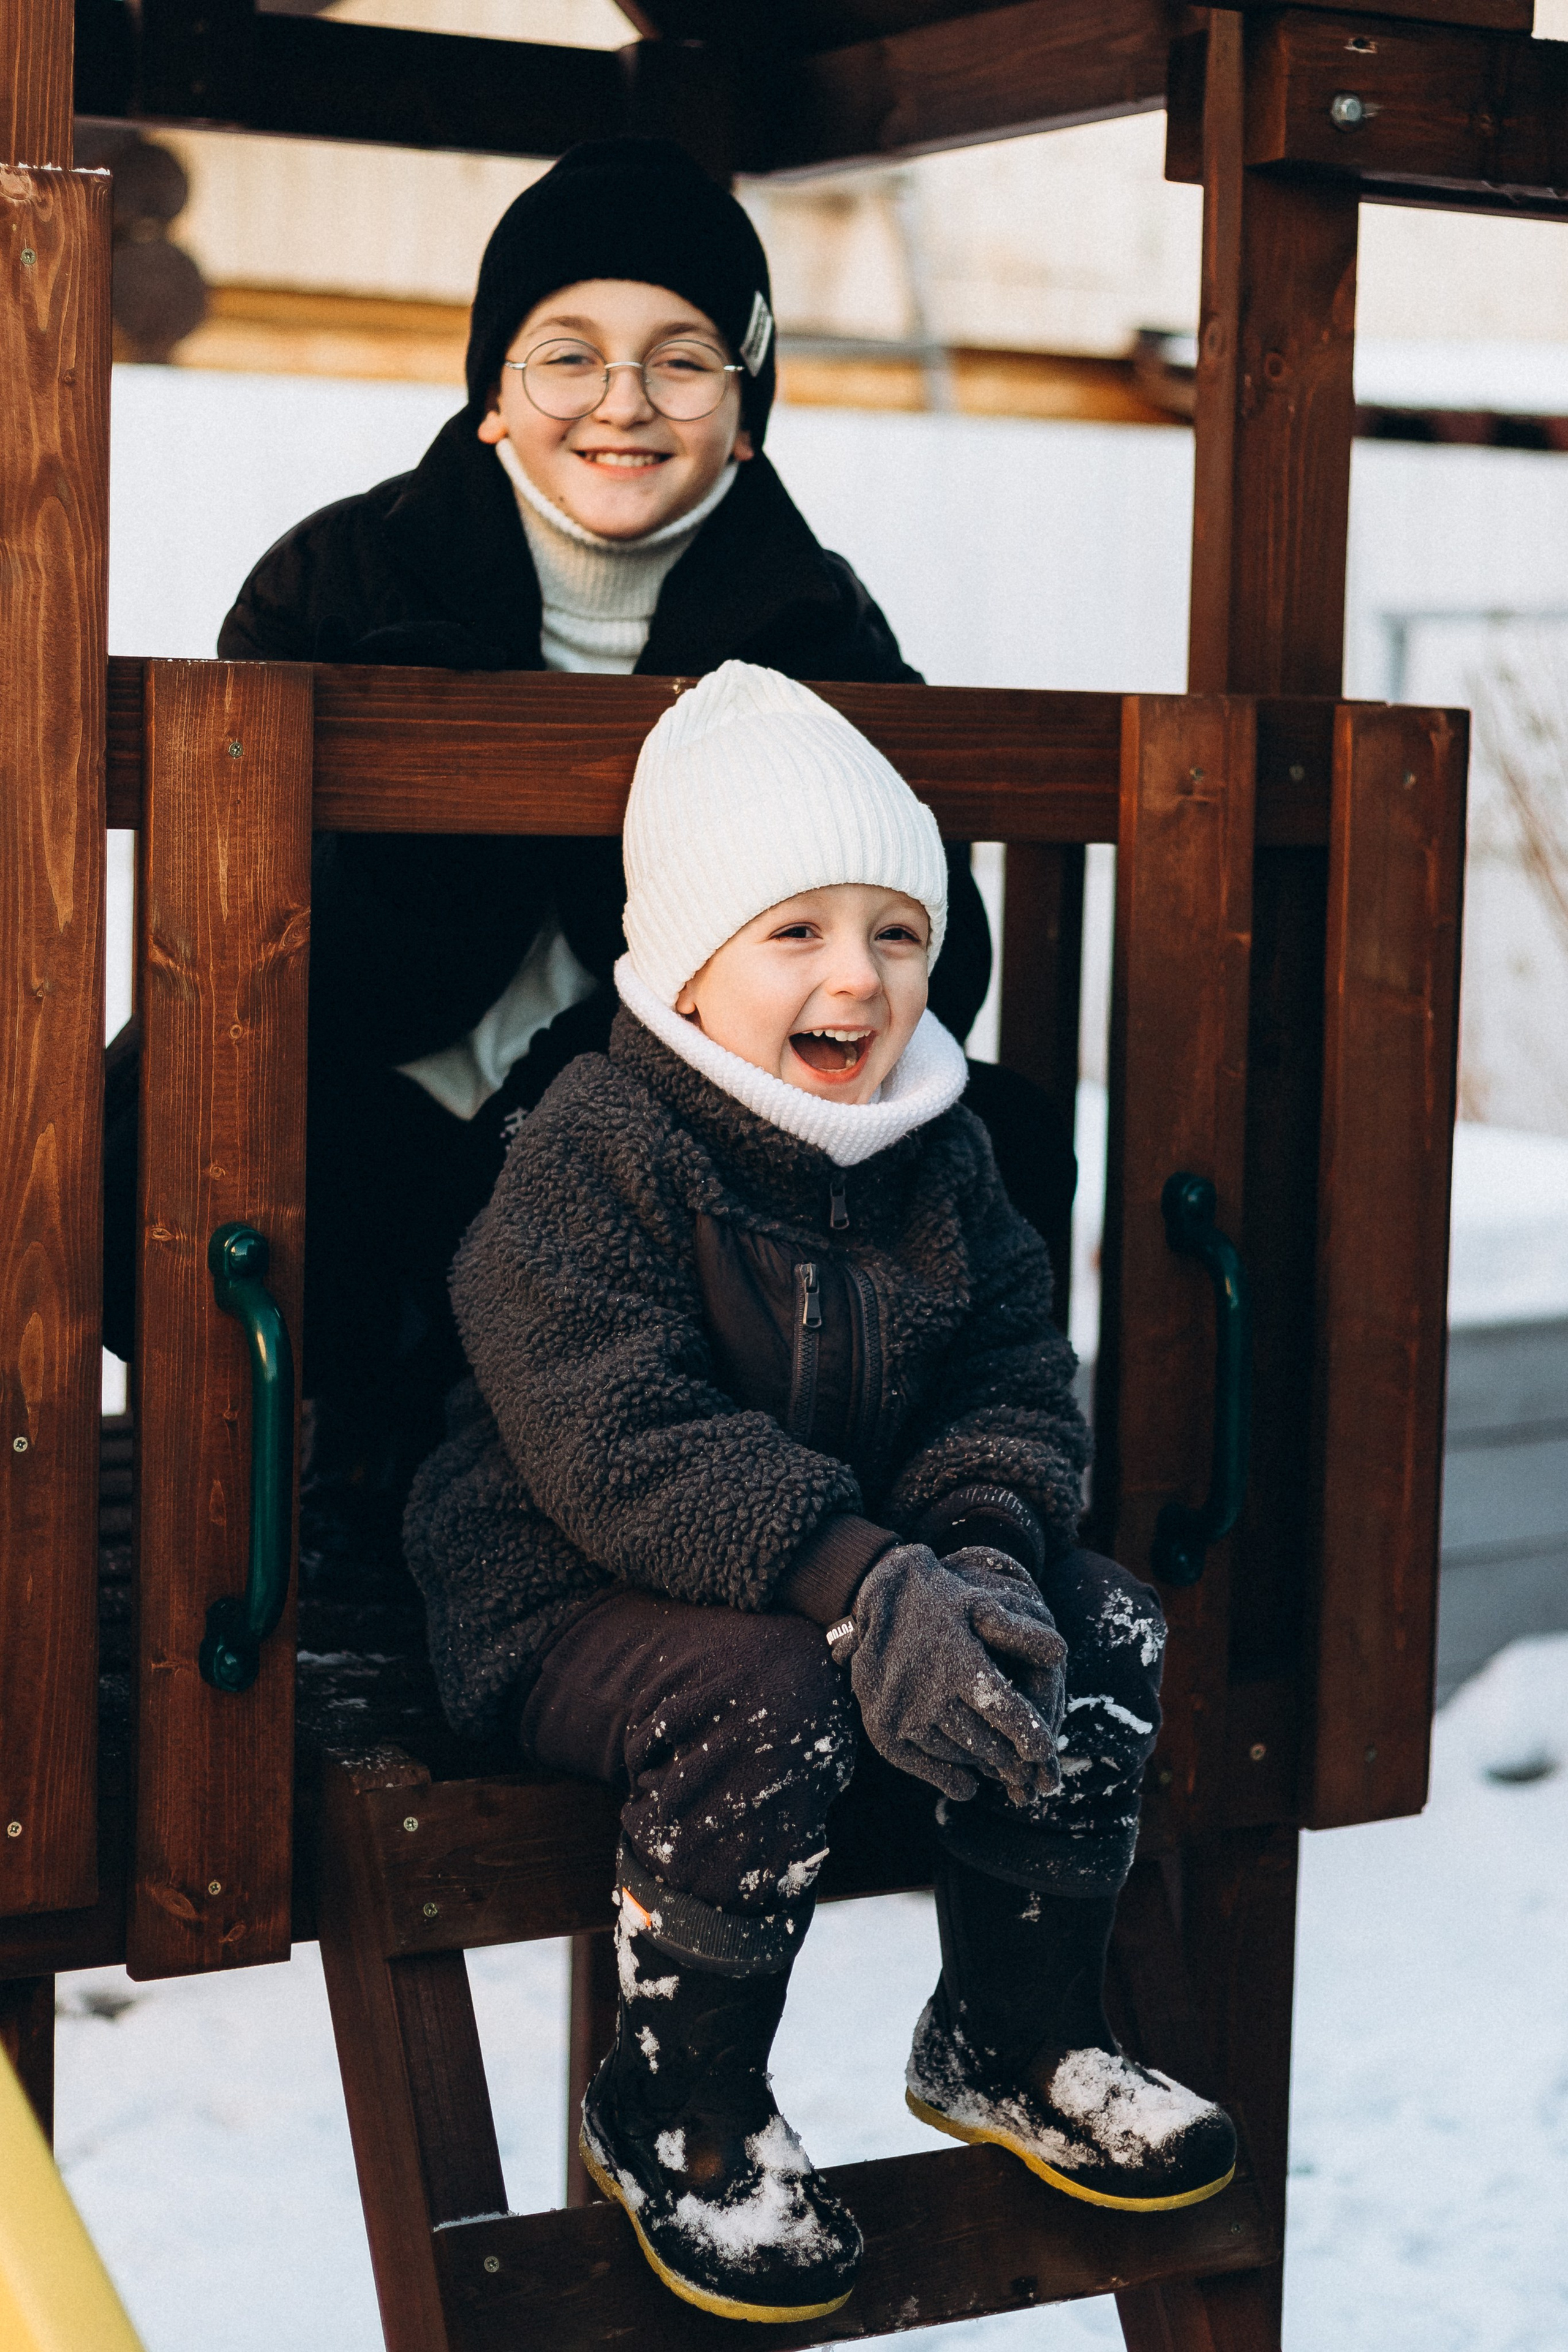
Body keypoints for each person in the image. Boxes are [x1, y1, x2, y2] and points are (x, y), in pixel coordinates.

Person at [99, 135, 1072, 1566]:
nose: (621, 401)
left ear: (744, 413)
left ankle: (868, 1503)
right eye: (566, 353)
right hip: (384, 1098)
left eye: (681, 359)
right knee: (163, 1097)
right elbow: (236, 923)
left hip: (644, 1141)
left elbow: (938, 944)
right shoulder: (343, 583)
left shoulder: (812, 625)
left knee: (987, 1129)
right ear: (495, 396)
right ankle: (329, 1448)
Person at [404, 663, 1235, 2324]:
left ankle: (1016, 2027)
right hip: (571, 1590)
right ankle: (680, 2110)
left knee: (1100, 1615)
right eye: (796, 932)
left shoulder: (947, 1159)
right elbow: (617, 1435)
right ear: (691, 965)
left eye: (898, 934)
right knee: (766, 1688)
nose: (858, 975)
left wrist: (982, 1560)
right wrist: (863, 1582)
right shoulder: (596, 1147)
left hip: (860, 1573)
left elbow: (1008, 1380)